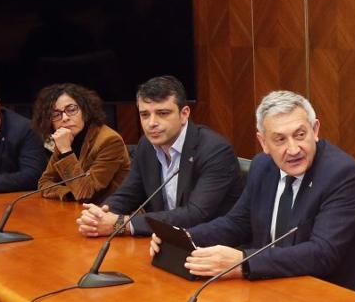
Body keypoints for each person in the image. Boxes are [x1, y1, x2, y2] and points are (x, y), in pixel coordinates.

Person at [158, 90, 355, 294]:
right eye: (280, 139)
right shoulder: (263, 166)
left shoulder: (342, 174)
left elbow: (322, 253)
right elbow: (237, 223)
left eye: (300, 135)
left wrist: (243, 262)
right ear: (263, 142)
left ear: (315, 131)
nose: (293, 149)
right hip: (276, 286)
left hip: (336, 295)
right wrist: (182, 237)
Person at [76, 76, 240, 237]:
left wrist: (122, 224)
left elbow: (195, 215)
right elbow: (128, 194)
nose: (152, 123)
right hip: (163, 240)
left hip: (209, 245)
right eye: (145, 115)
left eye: (162, 113)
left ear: (184, 114)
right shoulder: (147, 145)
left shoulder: (215, 151)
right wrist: (101, 215)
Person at [31, 82, 130, 202]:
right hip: (77, 211)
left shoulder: (109, 141)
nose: (65, 118)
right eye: (56, 114)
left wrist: (66, 151)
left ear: (85, 110)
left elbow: (85, 193)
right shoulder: (65, 139)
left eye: (71, 109)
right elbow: (44, 183)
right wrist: (69, 193)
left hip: (113, 214)